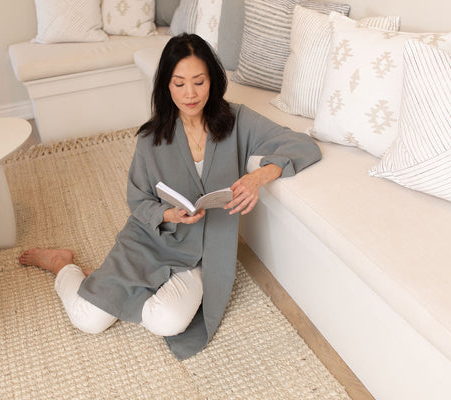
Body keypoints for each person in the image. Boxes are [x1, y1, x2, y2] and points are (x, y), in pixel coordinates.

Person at [19, 33, 322, 359]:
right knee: (88, 319)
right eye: (179, 84)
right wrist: (168, 214)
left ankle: (122, 284)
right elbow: (138, 200)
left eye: (199, 81)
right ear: (166, 85)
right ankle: (62, 265)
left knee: (166, 321)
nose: (190, 94)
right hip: (152, 240)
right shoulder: (151, 138)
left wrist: (259, 176)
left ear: (213, 80)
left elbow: (304, 145)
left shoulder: (239, 121)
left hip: (200, 254)